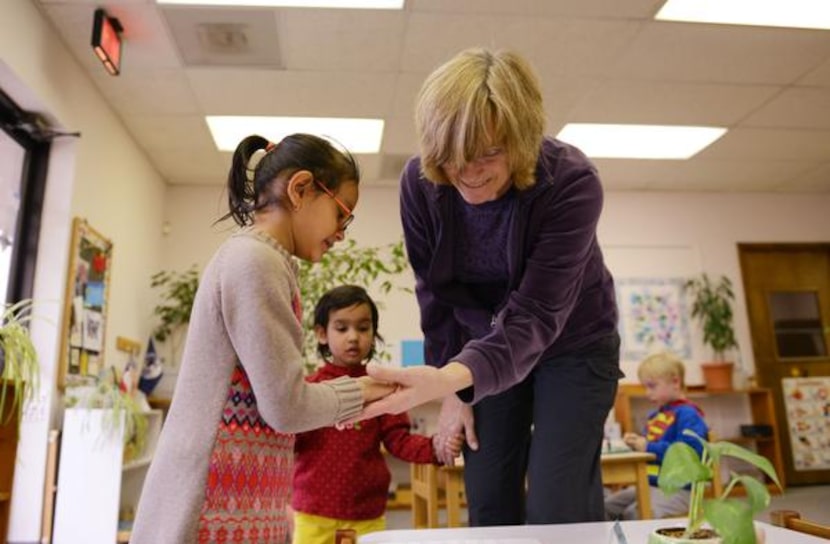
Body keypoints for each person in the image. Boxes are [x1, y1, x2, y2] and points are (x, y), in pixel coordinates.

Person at [354, 47, 623, 525]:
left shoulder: (571, 182)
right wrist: (453, 390)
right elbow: (435, 298)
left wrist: (454, 379)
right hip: (481, 346)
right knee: (488, 496)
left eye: (489, 153)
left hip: (574, 343)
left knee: (556, 504)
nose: (470, 172)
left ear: (522, 140)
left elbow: (537, 314)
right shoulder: (421, 185)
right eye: (454, 157)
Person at [131, 134, 392, 544]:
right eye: (342, 214)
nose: (342, 233)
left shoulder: (267, 262)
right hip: (211, 503)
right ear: (300, 189)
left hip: (234, 499)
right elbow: (286, 406)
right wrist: (366, 391)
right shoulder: (255, 262)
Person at [291, 285, 462, 543]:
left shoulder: (382, 386)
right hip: (313, 513)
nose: (353, 337)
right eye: (342, 328)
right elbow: (292, 440)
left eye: (362, 328)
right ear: (321, 334)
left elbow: (399, 440)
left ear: (373, 333)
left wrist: (436, 448)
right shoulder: (309, 389)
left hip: (367, 515)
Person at [604, 352, 710, 520]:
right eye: (645, 387)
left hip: (682, 489)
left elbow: (689, 454)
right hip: (651, 484)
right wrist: (635, 443)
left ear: (675, 381)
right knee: (607, 507)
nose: (647, 393)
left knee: (634, 513)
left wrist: (647, 446)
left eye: (652, 386)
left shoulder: (688, 414)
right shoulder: (655, 416)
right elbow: (650, 451)